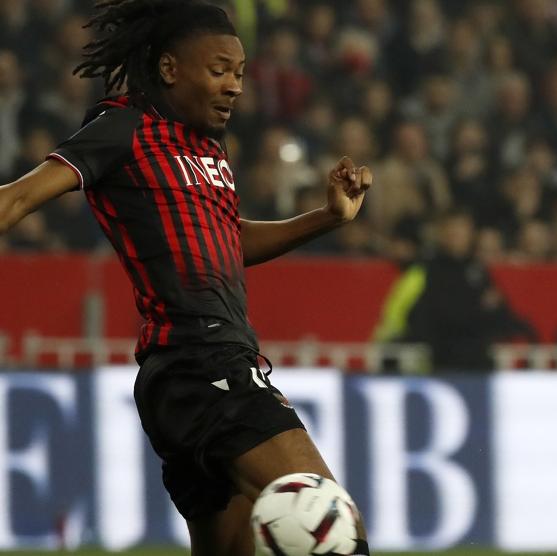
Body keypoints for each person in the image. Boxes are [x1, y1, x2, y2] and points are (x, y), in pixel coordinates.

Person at [0, 2, 372, 554]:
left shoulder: (206, 146)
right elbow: (17, 199)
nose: (234, 87)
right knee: (333, 529)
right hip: (203, 362)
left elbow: (229, 241)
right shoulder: (121, 128)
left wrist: (329, 218)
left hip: (187, 377)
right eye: (218, 70)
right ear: (171, 69)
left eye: (240, 74)